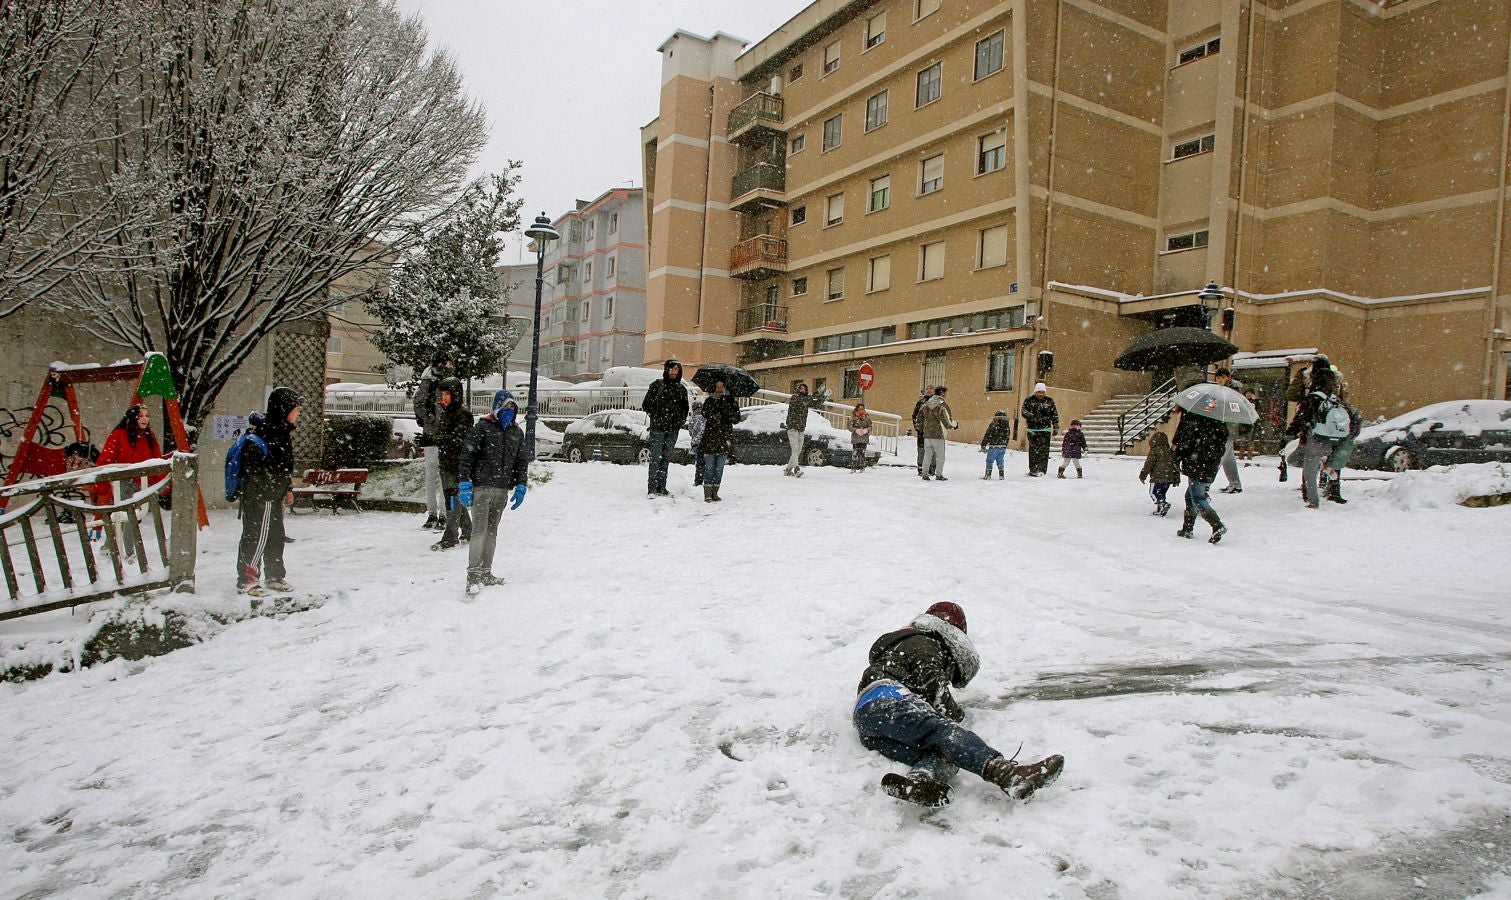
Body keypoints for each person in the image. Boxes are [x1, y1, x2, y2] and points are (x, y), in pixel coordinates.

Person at [853, 601, 1065, 808]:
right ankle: (1009, 775)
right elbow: (934, 686)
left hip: (870, 723)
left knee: (946, 752)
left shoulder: (900, 648)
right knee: (946, 733)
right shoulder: (922, 641)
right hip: (888, 701)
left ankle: (919, 779)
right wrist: (958, 719)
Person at [457, 390, 529, 594]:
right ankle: (473, 575)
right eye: (506, 406)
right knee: (479, 531)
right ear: (497, 407)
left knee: (492, 532)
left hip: (501, 490)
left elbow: (521, 461)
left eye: (512, 407)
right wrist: (465, 482)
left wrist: (521, 484)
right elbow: (467, 456)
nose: (509, 411)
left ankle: (486, 572)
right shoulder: (482, 428)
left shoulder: (516, 432)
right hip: (482, 488)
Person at [237, 388, 302, 595]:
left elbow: (283, 467)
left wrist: (287, 488)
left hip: (273, 495)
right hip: (260, 496)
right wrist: (271, 489)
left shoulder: (281, 433)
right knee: (256, 536)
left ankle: (274, 576)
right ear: (284, 409)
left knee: (274, 535)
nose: (298, 413)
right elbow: (255, 469)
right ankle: (248, 579)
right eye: (296, 409)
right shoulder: (264, 434)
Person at [1285, 362, 1346, 510]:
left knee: (1306, 469)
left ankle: (1313, 502)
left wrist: (1290, 432)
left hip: (1314, 438)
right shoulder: (1334, 398)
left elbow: (1301, 417)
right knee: (1298, 459)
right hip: (1331, 440)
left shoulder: (1313, 398)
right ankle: (1325, 465)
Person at [1172, 405, 1229, 543]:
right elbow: (1222, 442)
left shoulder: (1192, 419)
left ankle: (1217, 524)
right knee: (1190, 495)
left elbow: (1183, 441)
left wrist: (1177, 455)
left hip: (1197, 462)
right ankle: (1187, 528)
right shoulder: (1217, 420)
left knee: (1197, 497)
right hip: (1209, 463)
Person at [430, 377, 473, 551]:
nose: (443, 397)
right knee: (454, 498)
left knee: (452, 499)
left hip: (457, 464)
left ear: (455, 395)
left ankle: (450, 537)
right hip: (448, 462)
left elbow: (457, 439)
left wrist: (436, 439)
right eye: (442, 394)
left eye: (447, 394)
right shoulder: (447, 413)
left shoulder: (462, 414)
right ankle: (469, 531)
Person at [93, 403, 166, 505]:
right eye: (141, 416)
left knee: (138, 515)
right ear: (133, 417)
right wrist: (102, 487)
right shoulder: (119, 435)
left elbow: (158, 460)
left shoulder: (149, 437)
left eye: (147, 416)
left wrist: (162, 483)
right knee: (126, 514)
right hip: (125, 482)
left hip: (145, 483)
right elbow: (105, 460)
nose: (144, 419)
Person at [414, 351, 454, 530]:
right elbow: (419, 403)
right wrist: (430, 419)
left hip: (444, 434)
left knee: (443, 475)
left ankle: (443, 514)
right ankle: (432, 513)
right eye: (444, 363)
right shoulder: (428, 382)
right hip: (432, 434)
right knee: (432, 475)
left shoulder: (449, 382)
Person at [641, 359, 689, 497]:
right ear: (666, 370)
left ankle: (662, 486)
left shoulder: (681, 389)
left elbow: (685, 409)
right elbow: (646, 404)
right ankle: (652, 487)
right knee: (656, 458)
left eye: (677, 370)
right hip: (658, 428)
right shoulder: (657, 385)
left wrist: (679, 422)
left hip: (673, 429)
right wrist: (656, 416)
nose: (674, 372)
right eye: (672, 369)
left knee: (666, 458)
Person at [698, 377, 741, 502]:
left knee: (719, 467)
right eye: (718, 386)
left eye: (722, 386)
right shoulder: (710, 400)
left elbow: (737, 418)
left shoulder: (731, 401)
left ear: (725, 387)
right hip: (711, 436)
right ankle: (707, 493)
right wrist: (714, 413)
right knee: (710, 466)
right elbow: (704, 413)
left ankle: (715, 492)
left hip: (725, 437)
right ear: (714, 387)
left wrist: (727, 413)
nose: (720, 388)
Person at [782, 382, 826, 477]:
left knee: (798, 451)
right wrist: (814, 396)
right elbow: (802, 402)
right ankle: (796, 469)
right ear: (797, 389)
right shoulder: (794, 398)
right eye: (801, 388)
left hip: (801, 428)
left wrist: (822, 398)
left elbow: (816, 404)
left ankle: (787, 470)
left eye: (805, 389)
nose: (803, 390)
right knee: (795, 449)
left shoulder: (806, 399)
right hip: (792, 427)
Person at [1212, 368, 1244, 494]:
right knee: (1228, 458)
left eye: (1222, 377)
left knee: (1219, 456)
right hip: (1223, 427)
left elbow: (1233, 409)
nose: (1220, 380)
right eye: (1218, 377)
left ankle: (1206, 483)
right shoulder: (1219, 390)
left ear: (1228, 377)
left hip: (1229, 427)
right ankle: (1235, 484)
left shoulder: (1233, 391)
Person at [919, 386, 957, 480]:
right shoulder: (942, 405)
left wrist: (922, 428)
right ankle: (939, 474)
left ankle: (925, 473)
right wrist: (953, 425)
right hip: (938, 434)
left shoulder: (926, 404)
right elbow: (945, 419)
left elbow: (920, 417)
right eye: (945, 393)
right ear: (942, 393)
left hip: (927, 434)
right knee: (940, 456)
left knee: (927, 455)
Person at [1020, 383, 1059, 476]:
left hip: (1045, 429)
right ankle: (1033, 470)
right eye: (1039, 392)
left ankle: (1042, 470)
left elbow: (1054, 414)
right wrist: (1030, 415)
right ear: (1035, 391)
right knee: (1033, 450)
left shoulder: (1049, 401)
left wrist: (1056, 425)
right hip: (1032, 430)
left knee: (1044, 451)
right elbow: (1023, 411)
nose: (1041, 394)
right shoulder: (1029, 400)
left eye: (1042, 392)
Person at [1139, 431, 1180, 516]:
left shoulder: (1155, 450)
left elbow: (1148, 464)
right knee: (1162, 493)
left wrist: (1143, 475)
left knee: (1153, 493)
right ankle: (1160, 509)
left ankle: (1162, 504)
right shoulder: (1170, 451)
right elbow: (1175, 466)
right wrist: (1176, 479)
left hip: (1157, 477)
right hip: (1168, 478)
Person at [980, 410, 1012, 480]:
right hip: (1002, 446)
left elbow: (988, 435)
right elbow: (1008, 436)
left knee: (990, 461)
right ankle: (1001, 475)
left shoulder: (993, 424)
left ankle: (988, 475)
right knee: (1000, 461)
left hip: (994, 446)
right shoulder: (1007, 425)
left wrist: (983, 444)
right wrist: (1005, 445)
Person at [911, 388, 932, 475]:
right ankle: (921, 468)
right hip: (922, 432)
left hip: (933, 432)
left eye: (931, 389)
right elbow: (914, 415)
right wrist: (917, 427)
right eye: (927, 389)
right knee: (921, 449)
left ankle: (931, 469)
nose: (929, 390)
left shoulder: (937, 402)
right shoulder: (920, 402)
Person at [848, 404, 872, 473]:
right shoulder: (853, 417)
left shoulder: (867, 416)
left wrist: (867, 430)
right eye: (860, 409)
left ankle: (862, 468)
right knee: (855, 452)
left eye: (863, 409)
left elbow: (870, 426)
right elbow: (849, 427)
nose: (861, 410)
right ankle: (853, 468)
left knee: (863, 453)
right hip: (856, 437)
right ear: (857, 409)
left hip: (864, 438)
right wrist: (856, 430)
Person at [688, 399, 706, 487]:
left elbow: (690, 430)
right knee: (705, 462)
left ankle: (698, 480)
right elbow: (704, 430)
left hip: (696, 443)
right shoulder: (704, 417)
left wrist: (695, 438)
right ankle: (705, 480)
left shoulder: (693, 418)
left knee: (699, 463)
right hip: (704, 443)